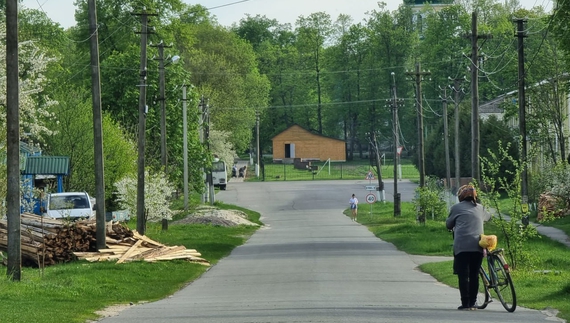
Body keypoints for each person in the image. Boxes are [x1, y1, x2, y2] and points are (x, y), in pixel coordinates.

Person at [446, 184, 491, 310]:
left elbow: (449, 225)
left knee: (463, 274)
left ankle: (465, 303)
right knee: (474, 274)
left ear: (461, 197)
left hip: (461, 246)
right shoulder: (480, 208)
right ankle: (473, 302)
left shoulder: (455, 208)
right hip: (477, 246)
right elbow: (489, 217)